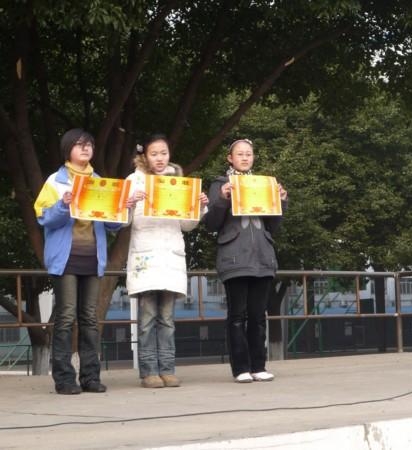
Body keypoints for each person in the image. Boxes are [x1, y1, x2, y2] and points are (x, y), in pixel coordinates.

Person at [34, 128, 123, 395]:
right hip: (65, 258)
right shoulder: (55, 181)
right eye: (79, 145)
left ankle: (90, 378)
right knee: (66, 316)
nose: (85, 149)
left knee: (89, 318)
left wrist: (122, 207)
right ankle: (63, 378)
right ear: (68, 150)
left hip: (92, 257)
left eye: (89, 145)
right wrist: (63, 204)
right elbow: (43, 218)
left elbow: (111, 226)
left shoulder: (99, 181)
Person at [125, 134, 208, 388]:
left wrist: (199, 207)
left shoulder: (179, 182)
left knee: (168, 319)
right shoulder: (134, 181)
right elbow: (123, 221)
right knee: (148, 317)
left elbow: (187, 225)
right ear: (144, 156)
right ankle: (149, 371)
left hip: (171, 254)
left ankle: (168, 368)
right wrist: (128, 204)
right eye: (154, 154)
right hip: (146, 255)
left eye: (163, 153)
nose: (160, 158)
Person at [203, 138, 288, 383]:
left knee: (258, 315)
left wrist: (280, 201)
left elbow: (273, 226)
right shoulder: (220, 184)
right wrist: (222, 198)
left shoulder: (264, 184)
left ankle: (258, 365)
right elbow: (211, 224)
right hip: (234, 258)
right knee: (237, 315)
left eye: (248, 154)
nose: (244, 158)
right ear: (230, 158)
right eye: (239, 154)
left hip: (262, 257)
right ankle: (240, 368)